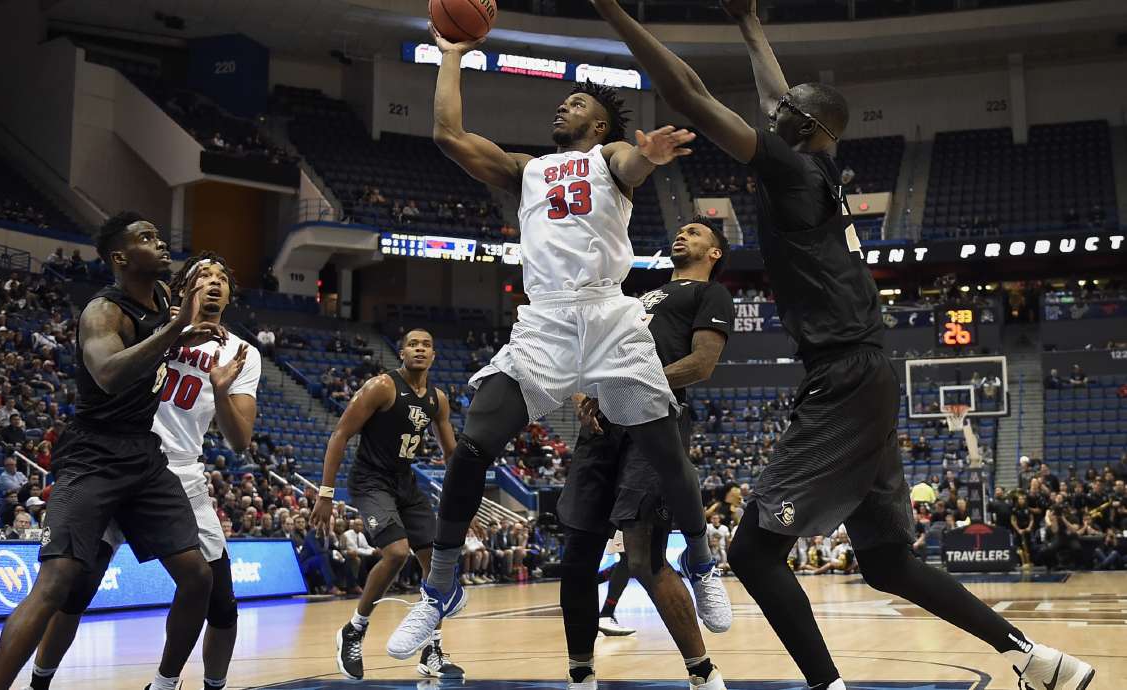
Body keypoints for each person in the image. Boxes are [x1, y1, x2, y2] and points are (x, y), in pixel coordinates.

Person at [588, 1, 1097, 689]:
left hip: (844, 377)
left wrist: (611, 11)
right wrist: (748, 25)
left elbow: (690, 93)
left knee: (755, 551)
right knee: (888, 563)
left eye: (786, 113)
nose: (775, 113)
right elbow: (783, 96)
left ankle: (829, 686)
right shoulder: (821, 166)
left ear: (803, 127)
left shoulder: (795, 172)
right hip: (866, 373)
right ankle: (1039, 661)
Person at [387, 25, 724, 661]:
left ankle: (702, 562)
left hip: (606, 314)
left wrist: (647, 154)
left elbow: (630, 161)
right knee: (475, 443)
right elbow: (449, 137)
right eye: (564, 101)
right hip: (545, 322)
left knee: (661, 446)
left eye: (579, 103)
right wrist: (451, 56)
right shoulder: (528, 169)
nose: (564, 105)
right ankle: (438, 590)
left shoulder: (611, 158)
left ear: (600, 127)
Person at [0, 212, 219, 690]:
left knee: (198, 577)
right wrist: (176, 330)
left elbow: (174, 325)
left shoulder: (162, 297)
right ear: (120, 257)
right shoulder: (103, 312)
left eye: (157, 235)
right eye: (146, 239)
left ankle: (164, 684)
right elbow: (109, 375)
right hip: (93, 455)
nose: (159, 243)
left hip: (144, 456)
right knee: (58, 583)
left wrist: (184, 323)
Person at [23, 253, 260, 690]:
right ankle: (40, 681)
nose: (212, 282)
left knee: (221, 602)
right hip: (116, 461)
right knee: (76, 591)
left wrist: (221, 391)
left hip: (181, 474)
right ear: (182, 287)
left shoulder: (242, 353)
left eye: (221, 277)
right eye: (201, 275)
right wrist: (173, 329)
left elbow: (240, 440)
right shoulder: (150, 324)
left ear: (230, 293)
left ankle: (177, 685)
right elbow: (107, 371)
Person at [556, 216, 736, 689]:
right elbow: (591, 358)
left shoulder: (709, 295)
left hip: (655, 421)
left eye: (696, 233)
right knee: (577, 555)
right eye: (681, 230)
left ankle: (703, 673)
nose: (683, 234)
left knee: (642, 556)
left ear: (714, 253)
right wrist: (583, 396)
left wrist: (627, 386)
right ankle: (580, 675)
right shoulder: (636, 299)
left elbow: (702, 365)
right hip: (603, 428)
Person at [310, 328, 464, 680]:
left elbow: (452, 453)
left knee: (438, 567)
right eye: (413, 344)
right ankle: (355, 630)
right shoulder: (382, 387)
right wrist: (325, 492)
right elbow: (341, 434)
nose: (420, 349)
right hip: (370, 481)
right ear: (402, 352)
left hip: (405, 482)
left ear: (434, 355)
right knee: (395, 552)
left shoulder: (438, 399)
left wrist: (468, 497)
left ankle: (431, 650)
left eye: (427, 344)